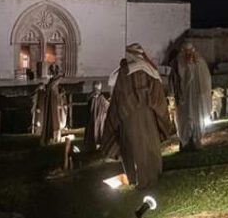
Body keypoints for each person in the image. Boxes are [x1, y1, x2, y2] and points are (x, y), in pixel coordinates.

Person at [101, 44, 175, 189]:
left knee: (132, 148)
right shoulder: (150, 71)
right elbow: (158, 96)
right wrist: (160, 115)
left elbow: (118, 97)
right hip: (149, 117)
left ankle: (137, 179)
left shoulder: (123, 73)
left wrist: (119, 112)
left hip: (129, 118)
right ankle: (153, 175)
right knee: (149, 146)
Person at [171, 41, 211, 152]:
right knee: (185, 119)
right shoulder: (179, 63)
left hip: (196, 98)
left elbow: (205, 80)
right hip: (184, 99)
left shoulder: (199, 62)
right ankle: (185, 141)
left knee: (196, 117)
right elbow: (177, 80)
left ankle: (195, 139)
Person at [32, 75, 63, 144]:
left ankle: (53, 136)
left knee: (54, 120)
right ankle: (52, 136)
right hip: (52, 110)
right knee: (54, 120)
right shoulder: (50, 90)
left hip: (53, 109)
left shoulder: (50, 90)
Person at [86, 80, 109, 152]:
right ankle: (95, 145)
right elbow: (106, 106)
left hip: (96, 117)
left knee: (97, 130)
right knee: (97, 130)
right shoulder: (97, 97)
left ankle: (95, 145)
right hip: (97, 117)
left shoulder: (95, 96)